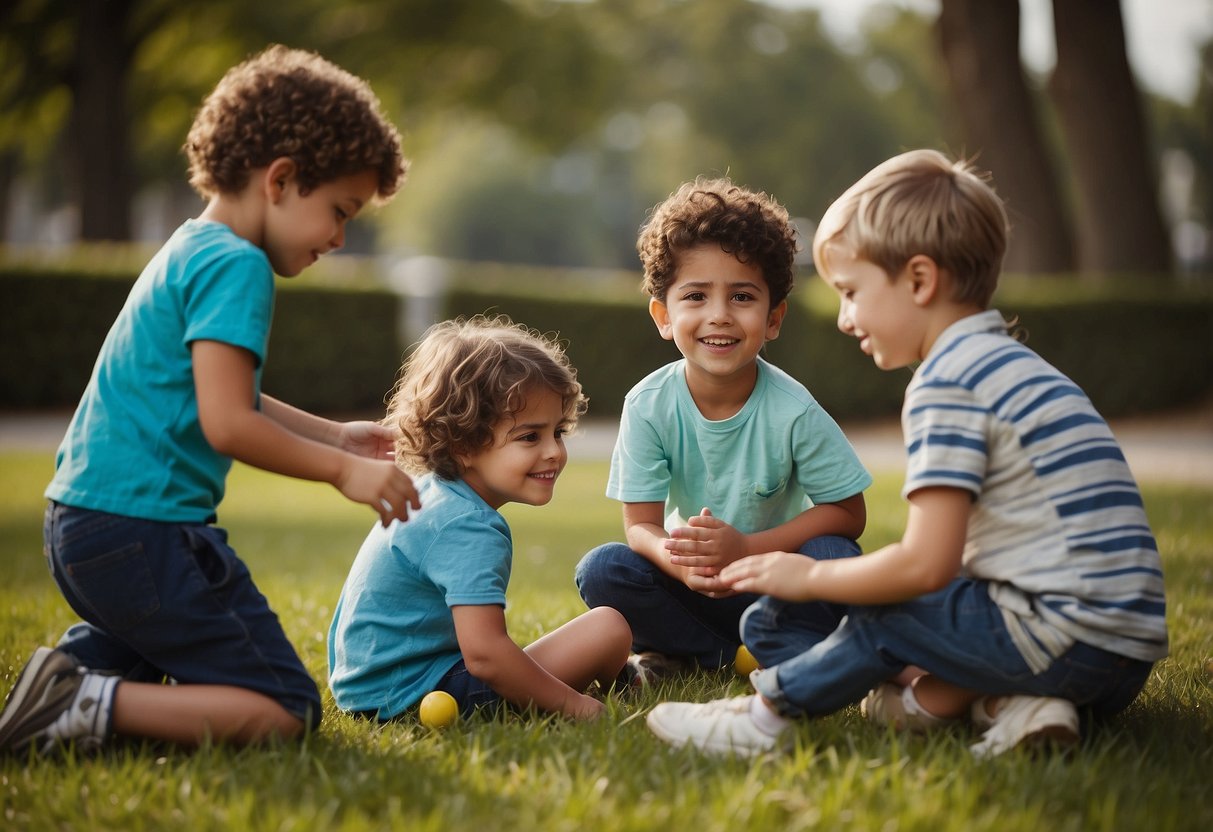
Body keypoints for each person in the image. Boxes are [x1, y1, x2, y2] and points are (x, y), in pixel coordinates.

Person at [645, 149, 1169, 758]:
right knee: (822, 618)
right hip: (1120, 658)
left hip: (1058, 637)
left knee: (883, 613)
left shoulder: (948, 383)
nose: (845, 318)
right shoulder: (1025, 370)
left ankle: (762, 721)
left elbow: (926, 566)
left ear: (919, 280)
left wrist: (812, 574)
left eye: (851, 291)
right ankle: (1017, 705)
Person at [0, 45, 420, 755]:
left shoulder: (193, 247)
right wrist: (342, 472)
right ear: (281, 179)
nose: (341, 239)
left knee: (149, 651)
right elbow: (227, 422)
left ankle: (65, 690)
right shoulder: (238, 266)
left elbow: (224, 394)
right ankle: (83, 699)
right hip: (143, 535)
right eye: (338, 211)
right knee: (281, 707)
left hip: (87, 525)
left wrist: (335, 436)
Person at [575, 177, 871, 682]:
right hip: (694, 586)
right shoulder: (648, 405)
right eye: (695, 296)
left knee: (833, 556)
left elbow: (848, 515)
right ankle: (723, 654)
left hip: (773, 582)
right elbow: (640, 527)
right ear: (663, 316)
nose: (719, 316)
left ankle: (746, 647)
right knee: (604, 568)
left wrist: (747, 549)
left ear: (773, 318)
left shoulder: (793, 410)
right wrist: (682, 564)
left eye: (741, 297)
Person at [328, 316, 632, 723]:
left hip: (366, 690)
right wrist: (572, 705)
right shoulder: (467, 525)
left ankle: (624, 680)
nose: (554, 452)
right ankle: (617, 686)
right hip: (415, 698)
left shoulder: (428, 493)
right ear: (463, 444)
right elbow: (487, 657)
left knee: (601, 635)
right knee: (607, 629)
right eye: (529, 437)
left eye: (558, 431)